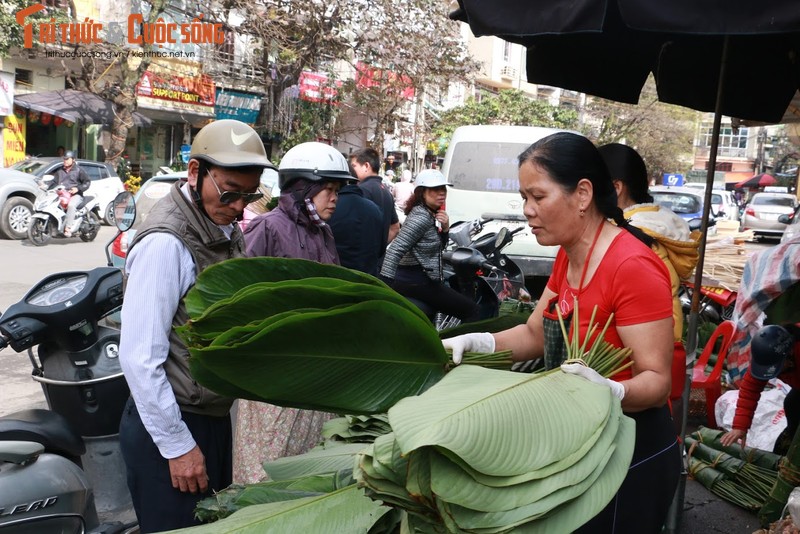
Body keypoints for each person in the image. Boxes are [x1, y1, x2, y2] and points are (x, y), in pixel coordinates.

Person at [443, 132, 680, 533]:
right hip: (580, 444)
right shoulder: (568, 256)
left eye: (538, 197)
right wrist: (476, 344)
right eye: (524, 197)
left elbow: (657, 381)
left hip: (630, 451)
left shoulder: (632, 266)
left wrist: (610, 389)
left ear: (583, 194)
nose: (527, 211)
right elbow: (535, 334)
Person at [117, 119, 273, 533]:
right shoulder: (166, 243)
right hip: (172, 424)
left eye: (249, 194)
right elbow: (139, 359)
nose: (240, 205)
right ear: (195, 172)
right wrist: (178, 446)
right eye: (230, 192)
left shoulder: (222, 223)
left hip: (209, 419)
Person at [235, 142, 354, 484]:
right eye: (328, 190)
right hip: (274, 369)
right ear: (303, 189)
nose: (334, 199)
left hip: (316, 368)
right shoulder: (267, 227)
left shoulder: (323, 232)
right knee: (264, 468)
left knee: (307, 464)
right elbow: (240, 296)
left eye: (337, 191)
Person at [599, 143, 700, 409]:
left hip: (644, 363)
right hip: (663, 350)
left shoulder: (633, 238)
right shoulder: (655, 225)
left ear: (616, 188)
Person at [720, 233, 800, 454]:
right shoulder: (766, 353)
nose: (774, 372)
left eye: (779, 366)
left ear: (789, 354)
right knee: (792, 404)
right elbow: (749, 390)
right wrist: (739, 427)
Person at [380, 169, 480, 323]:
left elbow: (437, 249)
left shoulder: (427, 214)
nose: (442, 193)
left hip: (420, 279)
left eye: (443, 189)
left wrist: (445, 228)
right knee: (472, 311)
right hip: (415, 281)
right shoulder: (420, 218)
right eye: (435, 189)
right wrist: (384, 287)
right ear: (422, 193)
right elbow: (395, 250)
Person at [350, 148, 400, 253]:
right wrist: (379, 247)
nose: (351, 170)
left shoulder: (361, 190)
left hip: (360, 261)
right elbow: (395, 227)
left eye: (354, 166)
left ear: (366, 166)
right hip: (377, 262)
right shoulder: (387, 192)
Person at [329, 183, 385, 276]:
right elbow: (381, 247)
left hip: (337, 278)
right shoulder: (375, 209)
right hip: (368, 278)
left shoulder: (329, 208)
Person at [50, 150, 90, 237]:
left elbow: (87, 182)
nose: (65, 161)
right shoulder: (60, 170)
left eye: (67, 159)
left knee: (71, 205)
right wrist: (46, 186)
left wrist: (78, 189)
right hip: (62, 195)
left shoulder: (79, 170)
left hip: (76, 195)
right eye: (64, 159)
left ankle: (68, 228)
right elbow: (54, 182)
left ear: (73, 160)